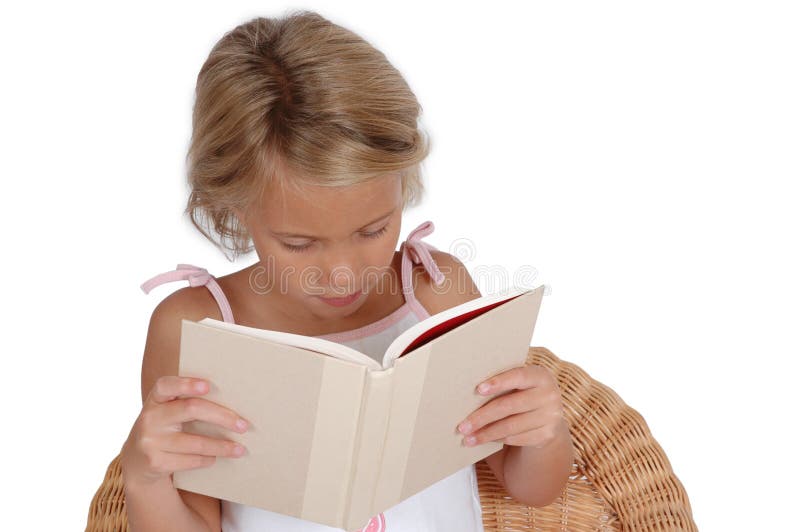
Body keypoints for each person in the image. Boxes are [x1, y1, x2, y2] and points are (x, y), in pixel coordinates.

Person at [119, 9, 574, 532]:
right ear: (234, 205)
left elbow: (531, 488)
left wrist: (544, 433)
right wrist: (144, 479)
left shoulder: (436, 290)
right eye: (299, 243)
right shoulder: (195, 329)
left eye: (374, 229)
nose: (342, 276)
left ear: (403, 183)